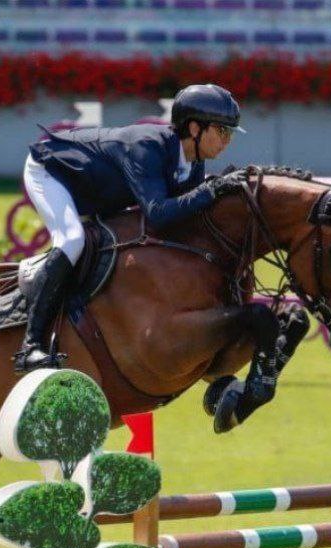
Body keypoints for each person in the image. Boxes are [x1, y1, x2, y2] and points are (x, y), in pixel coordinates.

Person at [15, 83, 248, 373]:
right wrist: (211, 190)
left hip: (97, 189)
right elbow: (158, 214)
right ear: (194, 128)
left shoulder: (193, 163)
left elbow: (186, 213)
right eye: (222, 130)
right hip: (52, 172)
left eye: (230, 133)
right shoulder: (147, 147)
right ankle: (30, 346)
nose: (227, 140)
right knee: (72, 240)